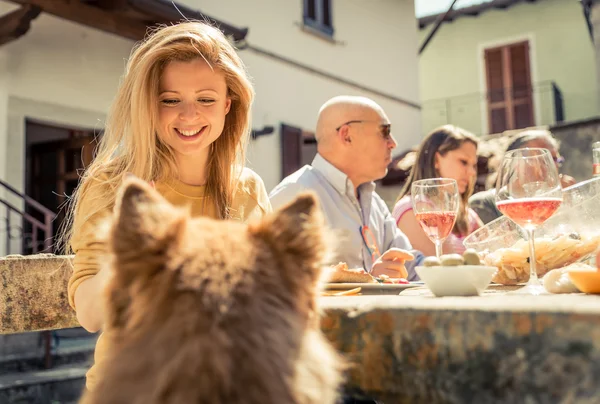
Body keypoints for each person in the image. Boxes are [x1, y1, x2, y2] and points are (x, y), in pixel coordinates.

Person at [63, 22, 271, 391]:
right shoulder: (114, 183)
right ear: (148, 105)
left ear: (228, 104)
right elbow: (90, 316)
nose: (188, 115)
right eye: (170, 100)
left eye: (205, 99)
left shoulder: (249, 189)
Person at [269, 95, 424, 281]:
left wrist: (457, 269)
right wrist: (372, 281)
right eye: (385, 131)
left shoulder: (373, 201)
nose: (393, 143)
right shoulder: (295, 193)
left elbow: (411, 264)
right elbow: (283, 282)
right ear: (347, 135)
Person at [392, 125, 483, 256]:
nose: (472, 172)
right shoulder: (412, 210)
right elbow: (445, 266)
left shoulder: (467, 214)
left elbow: (495, 252)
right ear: (436, 160)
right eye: (463, 162)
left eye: (474, 165)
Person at [469, 129, 575, 224]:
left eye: (556, 160)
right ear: (516, 163)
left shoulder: (553, 201)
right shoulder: (483, 204)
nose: (552, 165)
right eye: (542, 158)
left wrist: (569, 206)